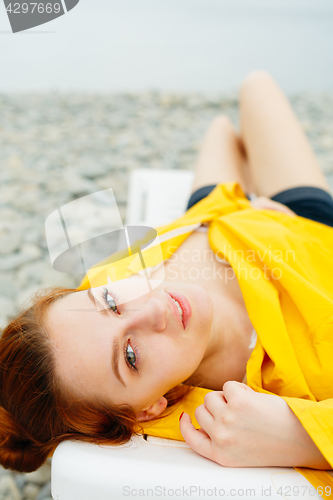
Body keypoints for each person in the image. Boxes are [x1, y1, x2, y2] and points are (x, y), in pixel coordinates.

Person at [1, 71, 333, 481]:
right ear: (148, 409)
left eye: (107, 300)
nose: (153, 306)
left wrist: (252, 218)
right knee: (258, 85)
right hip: (312, 233)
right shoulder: (239, 405)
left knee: (229, 122)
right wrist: (306, 437)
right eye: (131, 356)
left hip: (211, 212)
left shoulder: (83, 323)